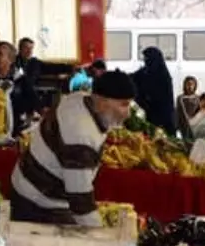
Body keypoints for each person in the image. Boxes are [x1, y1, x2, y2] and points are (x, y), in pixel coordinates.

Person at [9, 70, 136, 226]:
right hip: (39, 203)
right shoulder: (81, 136)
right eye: (124, 104)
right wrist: (101, 237)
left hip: (29, 185)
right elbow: (80, 203)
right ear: (102, 102)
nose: (128, 113)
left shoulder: (79, 98)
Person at [131, 46, 175, 133]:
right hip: (150, 114)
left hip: (162, 116)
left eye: (147, 58)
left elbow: (160, 97)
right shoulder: (146, 71)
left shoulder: (163, 76)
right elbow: (133, 78)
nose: (145, 61)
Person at [11, 37, 43, 134]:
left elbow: (52, 66)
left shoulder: (35, 62)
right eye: (26, 48)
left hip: (29, 90)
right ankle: (38, 110)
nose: (29, 51)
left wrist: (71, 68)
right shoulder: (13, 61)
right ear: (20, 49)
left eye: (31, 48)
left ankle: (34, 113)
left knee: (28, 85)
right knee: (23, 86)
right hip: (15, 87)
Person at [176, 76, 202, 140]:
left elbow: (200, 110)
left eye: (192, 84)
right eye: (188, 84)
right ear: (184, 85)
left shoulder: (197, 97)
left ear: (195, 85)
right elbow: (182, 111)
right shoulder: (181, 97)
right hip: (184, 124)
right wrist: (189, 121)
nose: (190, 86)